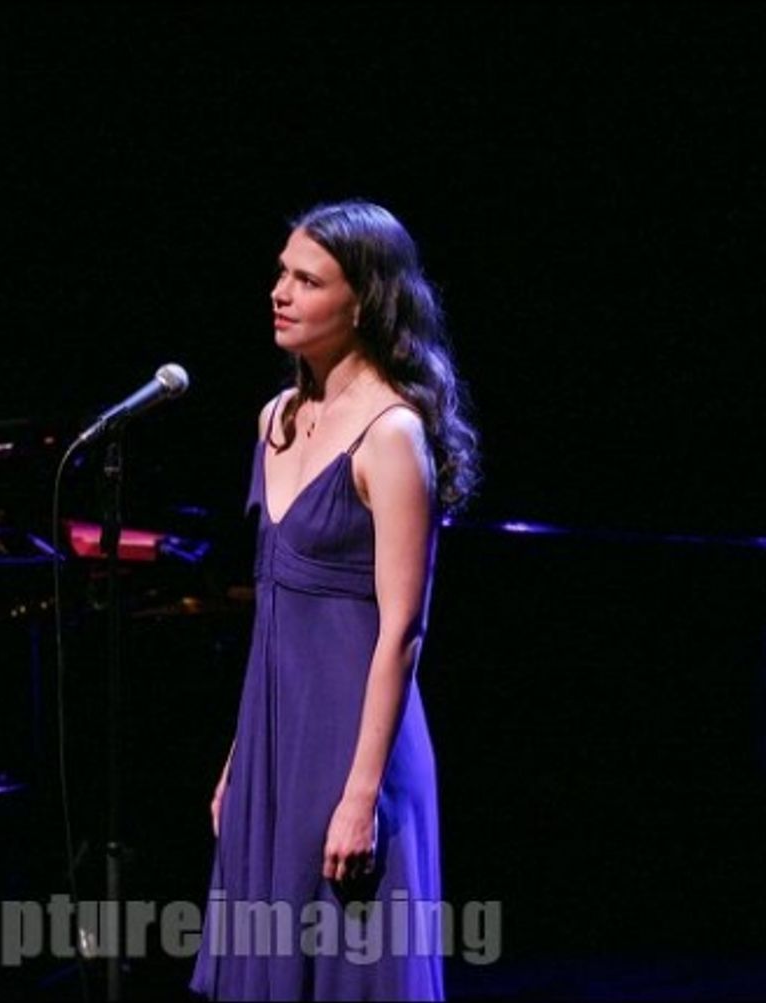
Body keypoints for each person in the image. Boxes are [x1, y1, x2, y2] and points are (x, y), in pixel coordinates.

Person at [190, 201, 478, 1000]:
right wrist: (238, 758)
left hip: (357, 749)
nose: (280, 291)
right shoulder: (274, 420)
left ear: (365, 302)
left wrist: (360, 794)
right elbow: (274, 611)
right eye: (282, 271)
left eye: (306, 279)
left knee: (352, 969)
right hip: (275, 736)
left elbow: (402, 631)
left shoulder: (391, 433)